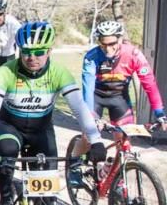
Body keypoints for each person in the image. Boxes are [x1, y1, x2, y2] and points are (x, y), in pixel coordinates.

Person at [0, 21, 105, 205]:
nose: (32, 58)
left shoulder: (59, 73)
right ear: (19, 50)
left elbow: (79, 108)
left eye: (39, 52)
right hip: (10, 127)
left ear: (50, 51)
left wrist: (96, 141)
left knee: (46, 187)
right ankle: (6, 201)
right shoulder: (6, 72)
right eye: (26, 52)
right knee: (6, 151)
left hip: (40, 130)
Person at [69, 19, 167, 184]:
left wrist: (159, 113)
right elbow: (88, 88)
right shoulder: (92, 56)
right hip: (96, 97)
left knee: (124, 140)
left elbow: (149, 83)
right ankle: (74, 164)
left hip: (119, 98)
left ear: (120, 39)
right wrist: (90, 117)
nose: (108, 48)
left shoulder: (133, 54)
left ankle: (119, 184)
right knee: (88, 135)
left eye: (113, 43)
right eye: (103, 44)